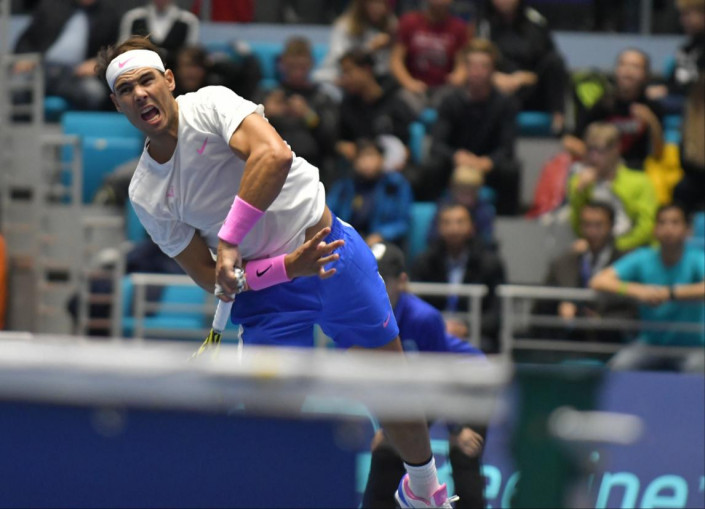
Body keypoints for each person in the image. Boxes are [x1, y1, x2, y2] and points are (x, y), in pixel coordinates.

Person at [96, 36, 455, 509]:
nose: (140, 93)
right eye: (126, 89)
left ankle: (423, 493)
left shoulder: (211, 105)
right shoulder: (145, 191)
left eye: (147, 80)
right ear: (116, 103)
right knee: (272, 433)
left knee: (393, 394)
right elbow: (206, 275)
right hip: (268, 297)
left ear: (169, 80)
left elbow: (274, 156)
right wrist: (286, 267)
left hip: (330, 254)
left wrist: (229, 239)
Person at [363, 242, 486, 509]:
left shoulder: (424, 318)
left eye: (383, 280)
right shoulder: (363, 318)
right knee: (386, 455)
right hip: (420, 391)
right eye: (369, 277)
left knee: (463, 452)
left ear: (402, 281)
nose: (373, 286)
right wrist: (385, 427)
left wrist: (456, 428)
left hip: (465, 383)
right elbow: (373, 380)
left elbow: (443, 376)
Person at [590, 203, 705, 370]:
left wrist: (671, 293)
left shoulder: (697, 258)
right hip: (651, 343)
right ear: (654, 230)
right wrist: (638, 291)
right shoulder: (643, 257)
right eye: (662, 222)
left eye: (675, 222)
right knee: (618, 368)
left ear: (688, 230)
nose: (668, 228)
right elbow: (599, 281)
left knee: (697, 370)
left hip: (692, 346)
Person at [423, 39, 520, 213]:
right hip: (455, 164)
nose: (478, 72)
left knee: (510, 170)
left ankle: (507, 220)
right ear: (465, 68)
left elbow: (507, 148)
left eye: (484, 66)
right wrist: (456, 156)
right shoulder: (450, 101)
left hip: (488, 167)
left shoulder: (505, 104)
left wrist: (488, 161)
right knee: (432, 166)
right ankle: (434, 217)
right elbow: (437, 145)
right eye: (473, 66)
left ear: (493, 70)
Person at [536, 201, 636, 342]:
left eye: (598, 225)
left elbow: (632, 308)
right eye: (587, 224)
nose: (592, 231)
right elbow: (542, 305)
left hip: (612, 339)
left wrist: (602, 321)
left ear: (611, 226)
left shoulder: (626, 262)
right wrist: (563, 303)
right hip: (571, 338)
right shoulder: (565, 262)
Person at [412, 203, 506, 352]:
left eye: (460, 222)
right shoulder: (424, 262)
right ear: (439, 228)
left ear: (472, 227)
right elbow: (415, 306)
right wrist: (440, 326)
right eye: (447, 223)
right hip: (433, 333)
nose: (454, 229)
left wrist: (466, 327)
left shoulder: (490, 263)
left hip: (475, 334)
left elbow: (497, 313)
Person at [564, 49, 664, 170]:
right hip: (602, 171)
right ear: (616, 70)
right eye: (623, 65)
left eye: (635, 67)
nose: (628, 71)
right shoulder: (602, 104)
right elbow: (570, 141)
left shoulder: (652, 108)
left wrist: (651, 121)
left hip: (638, 171)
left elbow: (659, 154)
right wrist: (599, 158)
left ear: (646, 75)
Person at [477, 0, 567, 133]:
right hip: (497, 88)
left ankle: (559, 124)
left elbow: (547, 60)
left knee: (555, 61)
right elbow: (476, 57)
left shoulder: (536, 21)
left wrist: (522, 78)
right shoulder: (483, 23)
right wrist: (494, 77)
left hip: (529, 86)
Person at [568, 122, 659, 252]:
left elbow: (647, 228)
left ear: (616, 149)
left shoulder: (640, 181)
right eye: (590, 150)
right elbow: (577, 227)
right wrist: (579, 192)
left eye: (600, 151)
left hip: (633, 249)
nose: (593, 157)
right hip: (597, 249)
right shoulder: (579, 181)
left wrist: (615, 248)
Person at [12, 0, 118, 110]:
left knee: (94, 92)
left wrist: (98, 62)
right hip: (41, 68)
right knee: (16, 87)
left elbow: (113, 49)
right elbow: (27, 40)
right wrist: (24, 57)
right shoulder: (51, 6)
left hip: (75, 75)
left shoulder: (108, 15)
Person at [256, 37, 338, 175]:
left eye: (302, 66)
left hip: (313, 167)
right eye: (292, 66)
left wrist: (308, 115)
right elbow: (245, 136)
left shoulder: (322, 99)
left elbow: (331, 140)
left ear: (311, 64)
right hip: (272, 166)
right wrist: (264, 114)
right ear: (282, 65)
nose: (297, 71)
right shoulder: (267, 96)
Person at [390, 0, 471, 115]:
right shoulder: (409, 22)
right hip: (414, 87)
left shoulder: (459, 27)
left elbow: (462, 64)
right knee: (401, 101)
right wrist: (409, 83)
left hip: (444, 88)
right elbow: (396, 60)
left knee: (456, 101)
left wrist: (458, 76)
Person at [327, 139, 413, 246]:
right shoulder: (344, 186)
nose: (367, 162)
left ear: (381, 159)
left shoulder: (396, 185)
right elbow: (329, 214)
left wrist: (381, 234)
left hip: (382, 242)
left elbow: (403, 222)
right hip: (348, 241)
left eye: (371, 156)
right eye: (361, 157)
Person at [337, 48, 416, 163]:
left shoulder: (395, 98)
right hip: (360, 165)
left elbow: (407, 142)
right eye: (343, 73)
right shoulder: (347, 105)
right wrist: (343, 146)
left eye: (348, 72)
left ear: (366, 70)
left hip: (393, 165)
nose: (344, 79)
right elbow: (341, 139)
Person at [314, 0, 397, 87]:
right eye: (373, 3)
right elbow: (341, 59)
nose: (378, 8)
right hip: (338, 76)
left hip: (377, 78)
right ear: (361, 5)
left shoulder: (391, 25)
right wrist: (370, 48)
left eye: (381, 3)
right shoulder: (345, 25)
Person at [428, 164, 496, 247]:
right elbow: (432, 237)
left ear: (477, 191)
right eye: (462, 190)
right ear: (453, 189)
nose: (466, 196)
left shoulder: (484, 211)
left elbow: (487, 240)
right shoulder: (443, 208)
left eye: (471, 191)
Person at [119, 0, 200, 66]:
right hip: (140, 70)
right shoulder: (133, 18)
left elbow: (190, 55)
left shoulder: (188, 21)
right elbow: (123, 49)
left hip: (175, 75)